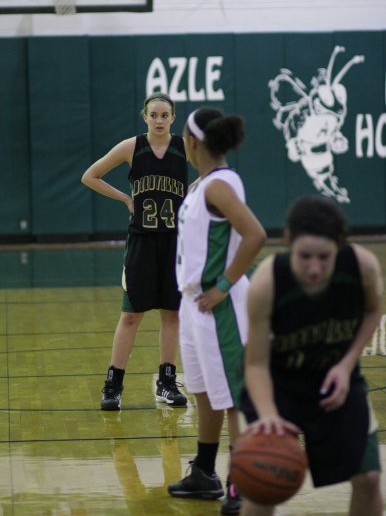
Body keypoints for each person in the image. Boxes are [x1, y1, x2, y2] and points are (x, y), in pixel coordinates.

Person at [240, 194, 383, 516]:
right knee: (262, 483)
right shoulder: (267, 282)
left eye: (324, 257)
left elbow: (374, 311)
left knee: (370, 477)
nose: (315, 268)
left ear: (341, 245)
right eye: (305, 256)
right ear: (288, 242)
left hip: (332, 377)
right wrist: (268, 416)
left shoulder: (362, 267)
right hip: (276, 383)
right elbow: (256, 364)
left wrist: (346, 366)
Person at [167, 108, 267, 516]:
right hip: (193, 304)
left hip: (217, 306)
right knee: (205, 391)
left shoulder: (219, 185)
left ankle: (239, 484)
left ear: (193, 142)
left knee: (233, 400)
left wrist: (224, 286)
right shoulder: (203, 184)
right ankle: (204, 472)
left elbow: (256, 234)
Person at [81, 93, 188, 411]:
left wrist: (193, 196)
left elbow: (215, 172)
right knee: (130, 316)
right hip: (142, 242)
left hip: (175, 242)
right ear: (145, 117)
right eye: (153, 114)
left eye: (164, 115)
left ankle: (166, 383)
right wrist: (126, 200)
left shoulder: (185, 148)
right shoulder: (132, 147)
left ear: (173, 117)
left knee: (172, 314)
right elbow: (90, 176)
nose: (158, 120)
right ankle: (113, 386)